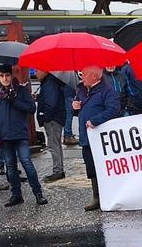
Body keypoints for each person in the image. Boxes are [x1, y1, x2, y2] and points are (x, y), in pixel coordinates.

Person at [0, 65, 46, 207]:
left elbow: (31, 108)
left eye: (7, 75)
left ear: (11, 76)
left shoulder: (21, 91)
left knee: (27, 163)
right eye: (2, 76)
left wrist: (15, 101)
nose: (5, 79)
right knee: (10, 167)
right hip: (4, 136)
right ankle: (16, 194)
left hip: (20, 134)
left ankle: (38, 193)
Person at [75, 65, 123, 211]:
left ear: (94, 77)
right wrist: (75, 107)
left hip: (101, 139)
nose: (81, 77)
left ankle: (112, 195)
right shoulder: (83, 90)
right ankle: (97, 197)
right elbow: (79, 110)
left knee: (105, 168)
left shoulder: (108, 91)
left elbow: (114, 109)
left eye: (84, 74)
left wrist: (96, 120)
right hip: (87, 138)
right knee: (91, 168)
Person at [37, 72, 69, 182]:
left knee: (53, 145)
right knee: (56, 144)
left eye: (37, 70)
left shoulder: (49, 83)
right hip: (57, 117)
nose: (36, 74)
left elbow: (51, 103)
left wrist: (46, 117)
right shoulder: (51, 82)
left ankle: (58, 171)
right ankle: (59, 169)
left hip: (53, 119)